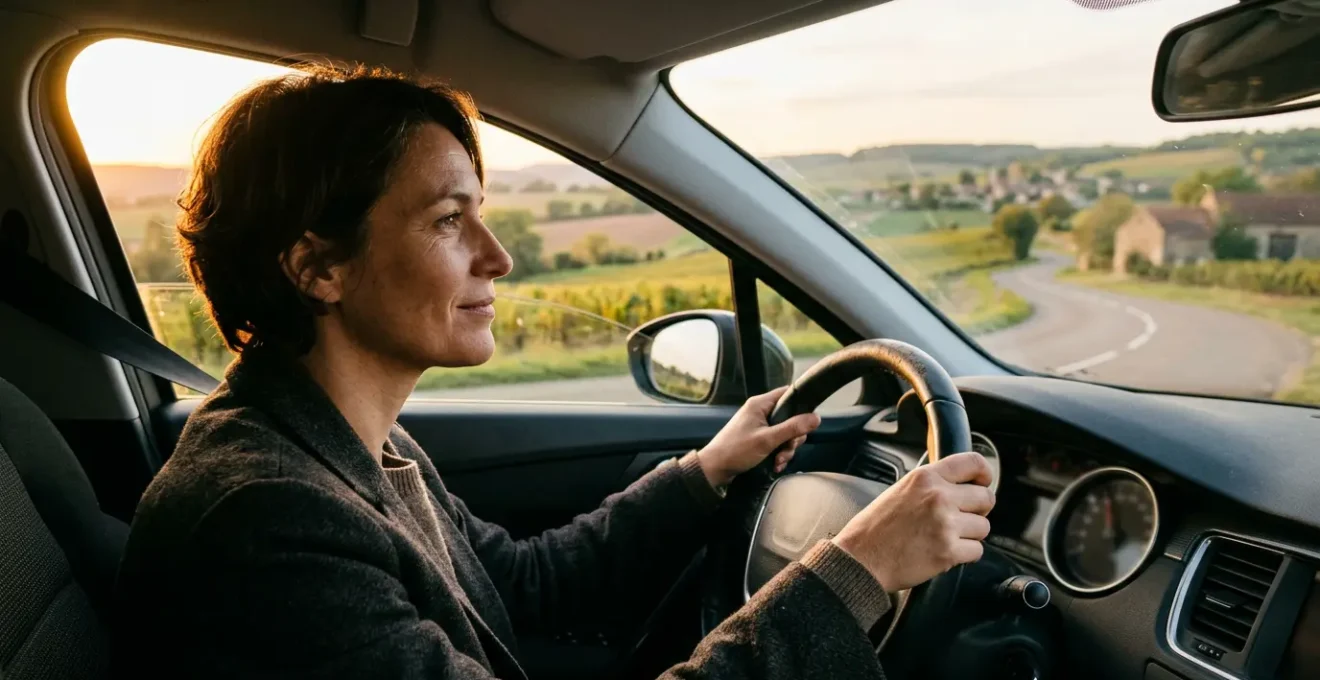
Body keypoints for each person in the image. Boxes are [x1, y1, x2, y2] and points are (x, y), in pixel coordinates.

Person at [113, 65, 995, 679]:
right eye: (448, 220)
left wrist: (705, 473)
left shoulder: (339, 442)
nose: (497, 257)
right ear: (318, 268)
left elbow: (522, 585)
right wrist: (853, 572)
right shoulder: (268, 519)